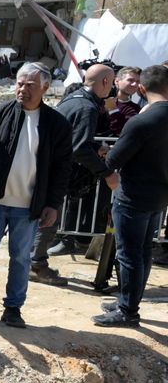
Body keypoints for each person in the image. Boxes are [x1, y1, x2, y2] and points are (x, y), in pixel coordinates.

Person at [0, 63, 71, 327]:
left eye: (30, 85)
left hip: (28, 207)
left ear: (44, 87)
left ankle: (13, 308)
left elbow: (61, 169)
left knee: (21, 259)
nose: (23, 89)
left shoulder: (56, 125)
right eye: (20, 83)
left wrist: (53, 204)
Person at [93, 64, 168, 327]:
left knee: (129, 255)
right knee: (143, 252)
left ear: (142, 88)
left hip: (133, 197)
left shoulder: (141, 121)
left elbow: (114, 159)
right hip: (159, 197)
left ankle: (128, 310)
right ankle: (128, 300)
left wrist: (103, 153)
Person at [30, 63, 116, 271]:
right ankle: (36, 264)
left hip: (46, 166)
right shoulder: (87, 108)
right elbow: (79, 148)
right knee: (49, 218)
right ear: (105, 82)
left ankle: (33, 261)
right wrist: (107, 173)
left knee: (46, 217)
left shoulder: (73, 99)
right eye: (112, 83)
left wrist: (97, 147)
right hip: (56, 171)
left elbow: (73, 139)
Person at [108, 66, 144, 134]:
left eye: (138, 81)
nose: (135, 84)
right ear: (117, 81)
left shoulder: (137, 108)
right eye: (130, 80)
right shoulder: (105, 103)